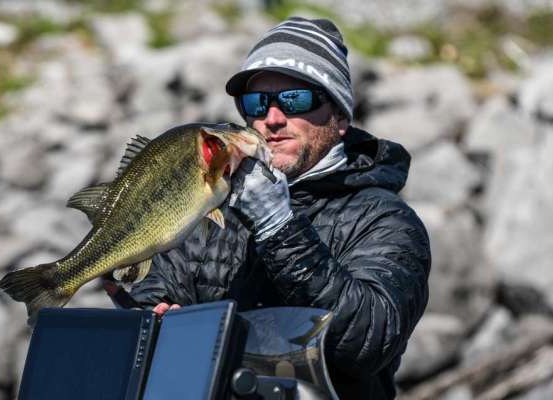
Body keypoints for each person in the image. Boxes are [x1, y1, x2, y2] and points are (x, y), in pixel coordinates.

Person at [108, 16, 431, 399]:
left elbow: (367, 342)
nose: (273, 119)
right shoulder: (212, 203)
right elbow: (156, 288)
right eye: (257, 103)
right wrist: (152, 314)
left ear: (341, 116)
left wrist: (278, 226)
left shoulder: (386, 219)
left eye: (296, 100)